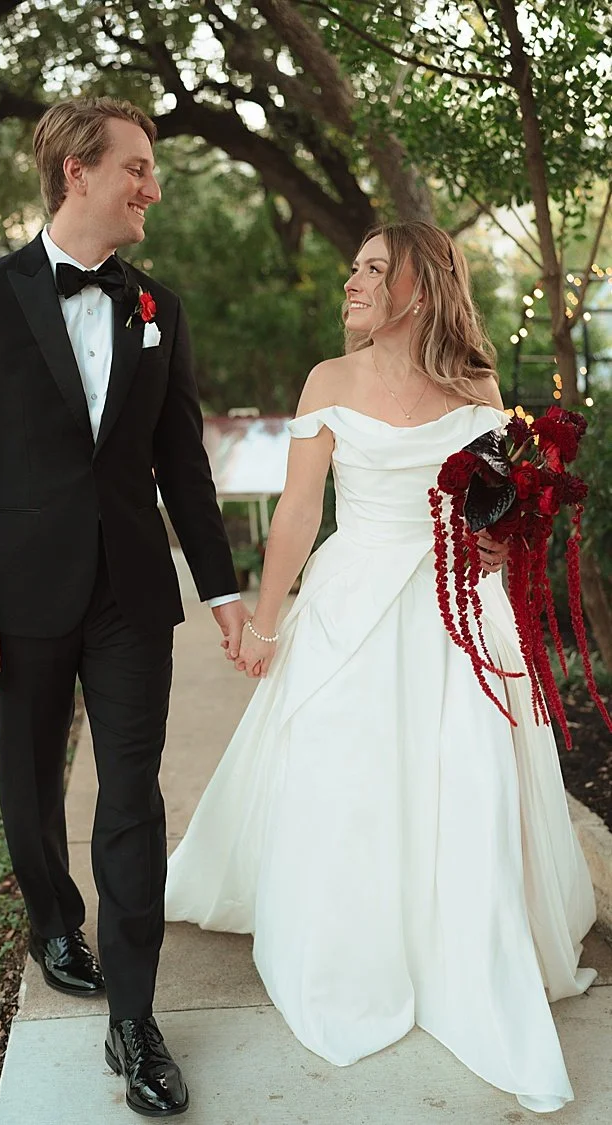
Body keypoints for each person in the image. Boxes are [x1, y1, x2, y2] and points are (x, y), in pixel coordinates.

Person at [166, 221, 597, 1112]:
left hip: (455, 610)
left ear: (420, 289)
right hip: (353, 594)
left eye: (373, 269)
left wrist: (491, 541)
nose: (352, 282)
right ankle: (353, 948)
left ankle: (464, 951)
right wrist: (266, 622)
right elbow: (297, 512)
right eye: (354, 266)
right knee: (347, 771)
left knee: (463, 776)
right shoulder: (329, 380)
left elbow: (493, 508)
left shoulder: (476, 386)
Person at [0, 96, 247, 1118]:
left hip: (130, 597)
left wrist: (223, 588)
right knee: (26, 785)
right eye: (139, 168)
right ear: (78, 171)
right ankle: (51, 918)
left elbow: (181, 469)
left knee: (131, 798)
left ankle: (135, 1020)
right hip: (16, 596)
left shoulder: (160, 308)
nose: (153, 186)